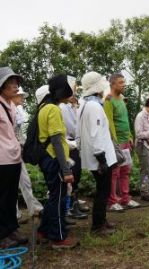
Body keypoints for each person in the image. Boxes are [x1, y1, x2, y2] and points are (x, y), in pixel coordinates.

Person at [37, 74, 79, 249]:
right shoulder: (53, 109)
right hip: (54, 159)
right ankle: (58, 237)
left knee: (55, 196)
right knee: (60, 199)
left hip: (47, 158)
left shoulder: (44, 107)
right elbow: (56, 140)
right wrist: (66, 170)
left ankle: (44, 230)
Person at [77, 71, 117, 235]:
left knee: (103, 189)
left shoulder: (87, 104)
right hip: (100, 157)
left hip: (96, 155)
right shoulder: (93, 106)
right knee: (103, 191)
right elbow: (95, 134)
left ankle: (102, 221)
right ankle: (97, 226)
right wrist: (101, 158)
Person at [0, 67, 28, 249]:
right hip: (2, 158)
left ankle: (11, 229)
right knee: (1, 198)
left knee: (11, 197)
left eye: (16, 82)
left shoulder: (10, 104)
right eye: (10, 82)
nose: (15, 86)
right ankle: (2, 235)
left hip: (13, 157)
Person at [104, 72, 140, 212]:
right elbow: (109, 121)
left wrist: (130, 135)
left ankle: (126, 198)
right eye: (120, 82)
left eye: (124, 82)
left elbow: (125, 119)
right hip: (116, 142)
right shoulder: (108, 100)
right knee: (114, 173)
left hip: (126, 141)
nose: (123, 85)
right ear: (112, 84)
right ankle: (113, 201)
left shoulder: (122, 99)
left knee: (126, 171)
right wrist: (114, 140)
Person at [12, 87, 43, 221]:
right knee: (10, 184)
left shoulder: (18, 111)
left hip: (17, 150)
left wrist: (24, 145)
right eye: (20, 96)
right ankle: (15, 214)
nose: (23, 99)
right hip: (6, 152)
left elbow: (20, 133)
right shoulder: (6, 109)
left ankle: (33, 207)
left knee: (24, 180)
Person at [59, 76, 89, 219]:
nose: (75, 91)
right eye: (73, 87)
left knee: (75, 177)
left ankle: (73, 205)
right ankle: (70, 207)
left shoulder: (70, 106)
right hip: (69, 145)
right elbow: (72, 127)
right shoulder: (63, 107)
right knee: (72, 177)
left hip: (74, 144)